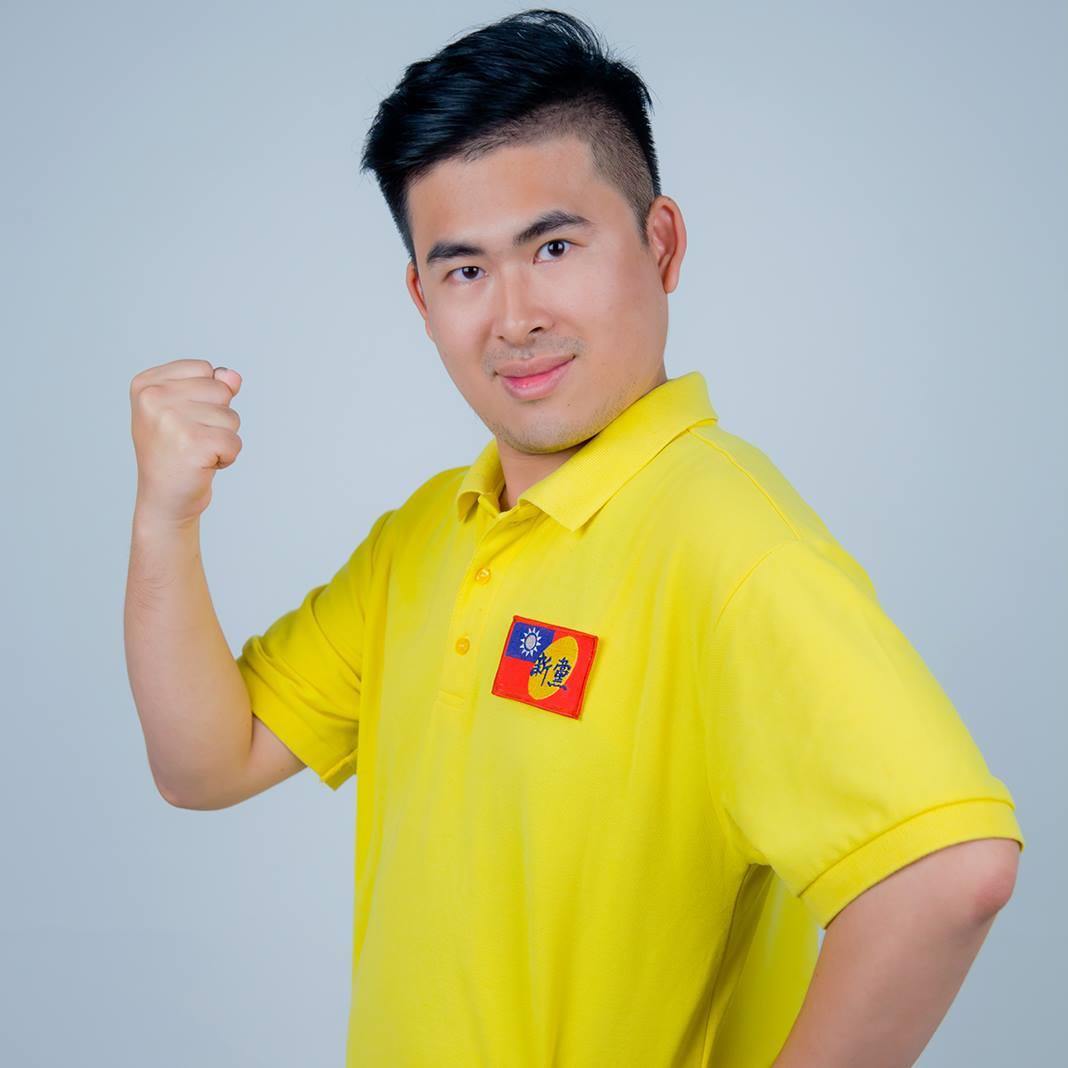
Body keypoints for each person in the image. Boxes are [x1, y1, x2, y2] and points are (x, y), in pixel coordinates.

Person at [124, 9, 1024, 1066]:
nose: (514, 318)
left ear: (661, 243)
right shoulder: (429, 536)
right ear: (421, 296)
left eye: (554, 247)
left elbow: (947, 871)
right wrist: (166, 519)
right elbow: (208, 763)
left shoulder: (730, 543)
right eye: (464, 270)